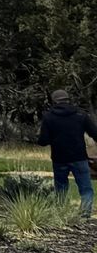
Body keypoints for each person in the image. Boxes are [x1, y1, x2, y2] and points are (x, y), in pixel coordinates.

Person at [35, 88, 96, 219]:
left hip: (59, 158)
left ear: (53, 101)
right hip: (79, 157)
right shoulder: (80, 115)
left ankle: (60, 214)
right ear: (68, 100)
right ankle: (85, 214)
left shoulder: (49, 117)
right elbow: (94, 133)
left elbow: (43, 141)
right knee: (86, 189)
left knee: (61, 188)